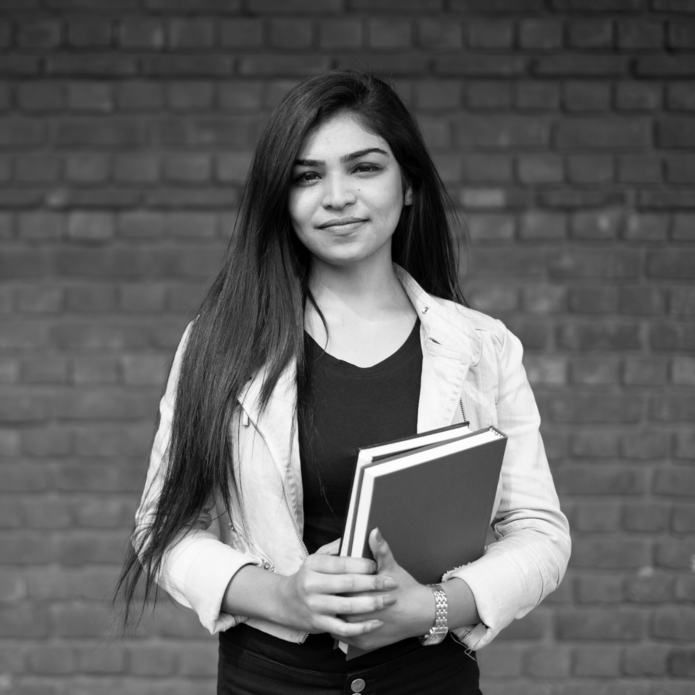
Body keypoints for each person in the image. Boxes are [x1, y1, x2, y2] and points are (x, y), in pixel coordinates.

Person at [117, 69, 571, 694]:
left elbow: (540, 535)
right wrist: (283, 597)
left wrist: (433, 607)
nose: (337, 196)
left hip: (427, 680)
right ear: (282, 196)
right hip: (270, 681)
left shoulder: (481, 346)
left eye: (364, 168)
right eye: (307, 176)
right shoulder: (220, 342)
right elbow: (162, 530)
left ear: (408, 183)